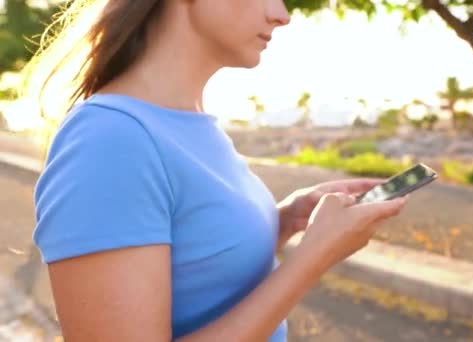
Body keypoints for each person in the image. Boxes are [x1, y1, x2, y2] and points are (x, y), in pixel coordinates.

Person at [28, 1, 409, 341]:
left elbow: (196, 269)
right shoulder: (111, 139)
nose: (282, 14)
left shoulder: (189, 122)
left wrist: (282, 221)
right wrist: (314, 258)